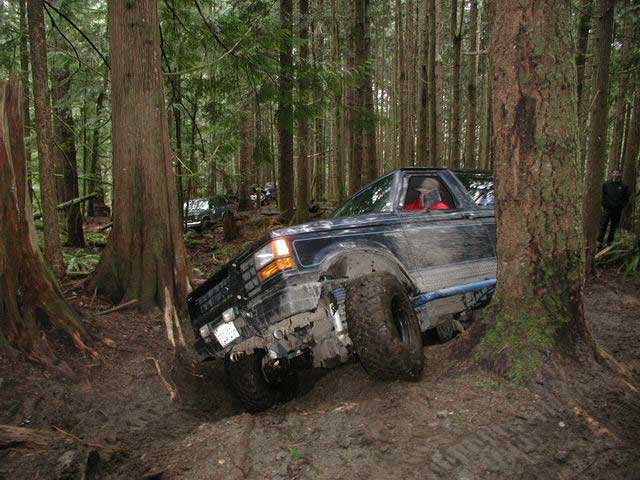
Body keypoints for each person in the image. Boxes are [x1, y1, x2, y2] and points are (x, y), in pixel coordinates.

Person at [597, 168, 629, 248]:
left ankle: (609, 242)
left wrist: (621, 206)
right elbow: (603, 195)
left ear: (620, 174)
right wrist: (604, 205)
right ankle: (599, 241)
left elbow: (626, 199)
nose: (615, 175)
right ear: (611, 174)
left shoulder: (624, 186)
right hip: (607, 209)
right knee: (603, 225)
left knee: (613, 226)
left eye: (617, 173)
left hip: (617, 210)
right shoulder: (606, 184)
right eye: (614, 173)